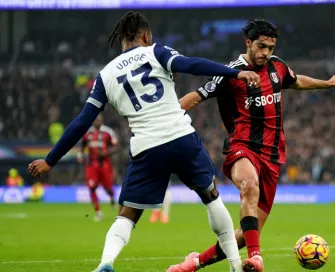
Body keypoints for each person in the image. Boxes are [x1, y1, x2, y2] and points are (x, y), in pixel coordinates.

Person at [28, 11, 260, 272]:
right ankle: (234, 264)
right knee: (210, 196)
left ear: (122, 41)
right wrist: (233, 73)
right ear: (146, 36)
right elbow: (191, 64)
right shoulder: (156, 52)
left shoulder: (105, 76)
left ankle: (105, 263)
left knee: (127, 214)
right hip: (181, 137)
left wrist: (50, 160)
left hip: (147, 147)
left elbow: (81, 122)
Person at [169, 19, 335, 272]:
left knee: (245, 232)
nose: (266, 53)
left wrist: (326, 83)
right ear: (248, 43)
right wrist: (163, 118)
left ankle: (194, 263)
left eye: (271, 48)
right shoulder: (231, 73)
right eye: (261, 47)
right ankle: (257, 258)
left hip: (272, 156)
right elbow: (196, 97)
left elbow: (296, 81)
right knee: (248, 185)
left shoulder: (277, 67)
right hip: (242, 146)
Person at [77, 114, 120, 221]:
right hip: (91, 165)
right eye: (95, 119)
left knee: (108, 188)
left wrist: (106, 152)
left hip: (104, 164)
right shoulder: (88, 133)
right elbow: (83, 146)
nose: (97, 121)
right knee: (92, 187)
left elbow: (117, 146)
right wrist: (80, 155)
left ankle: (111, 198)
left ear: (102, 120)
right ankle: (98, 212)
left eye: (99, 119)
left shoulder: (108, 132)